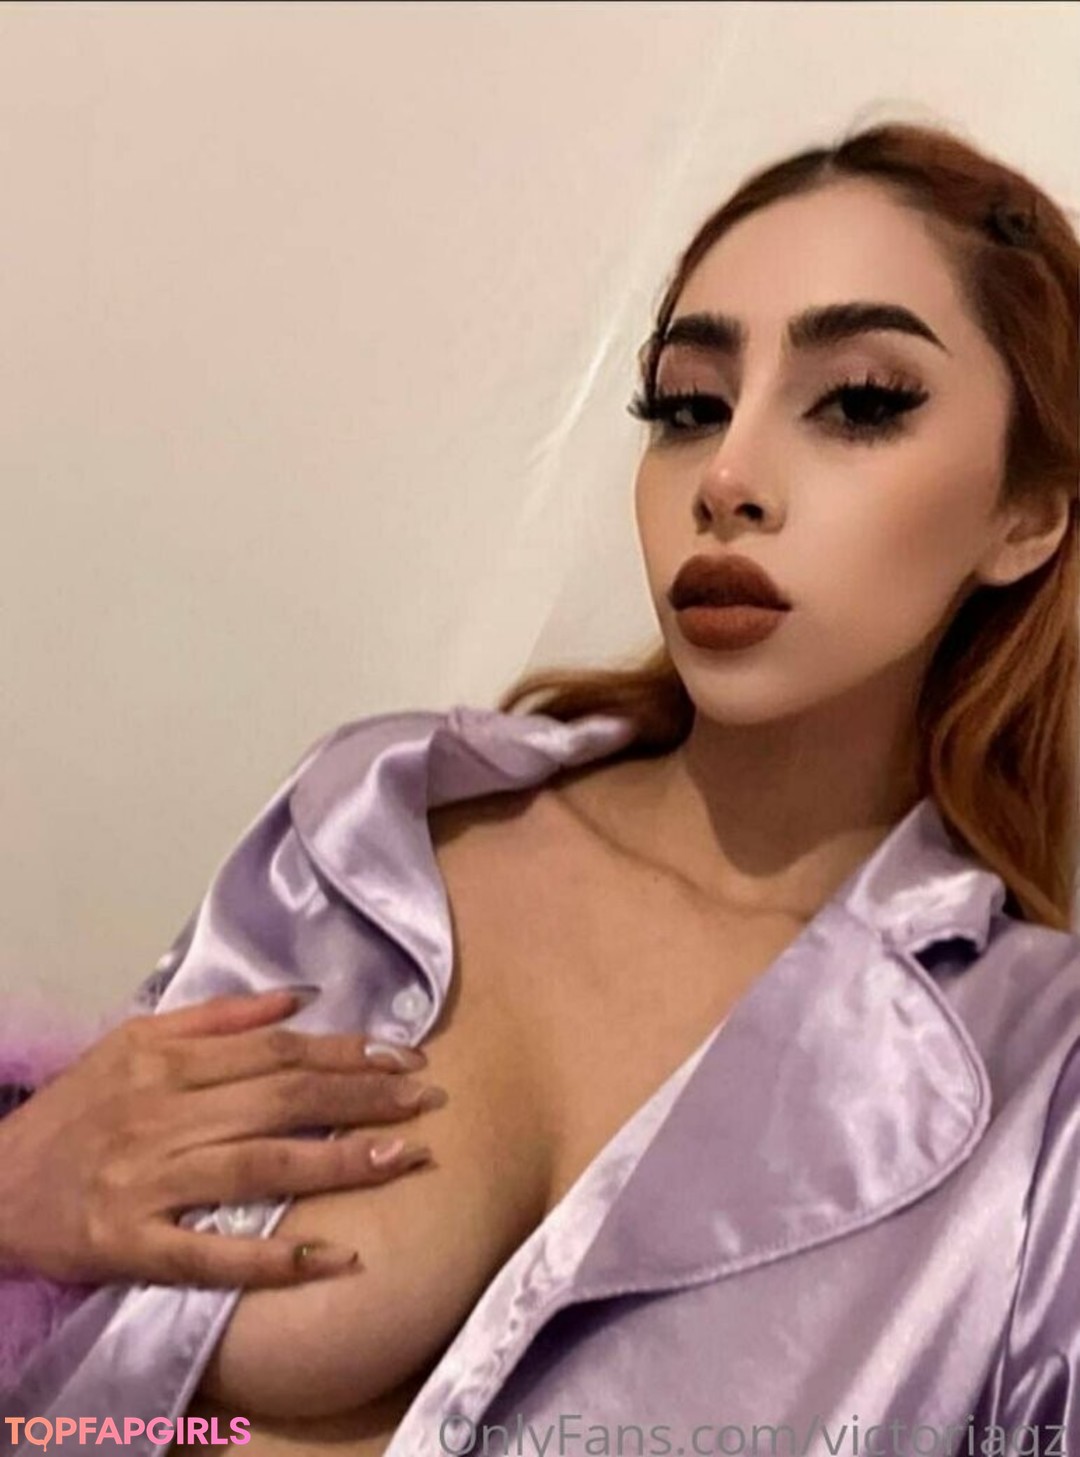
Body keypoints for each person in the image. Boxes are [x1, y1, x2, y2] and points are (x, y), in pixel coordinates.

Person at [2, 118, 1079, 1457]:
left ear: (1026, 514)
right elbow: (74, 1348)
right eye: (689, 406)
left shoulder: (1042, 1090)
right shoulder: (379, 831)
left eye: (859, 402)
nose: (728, 478)